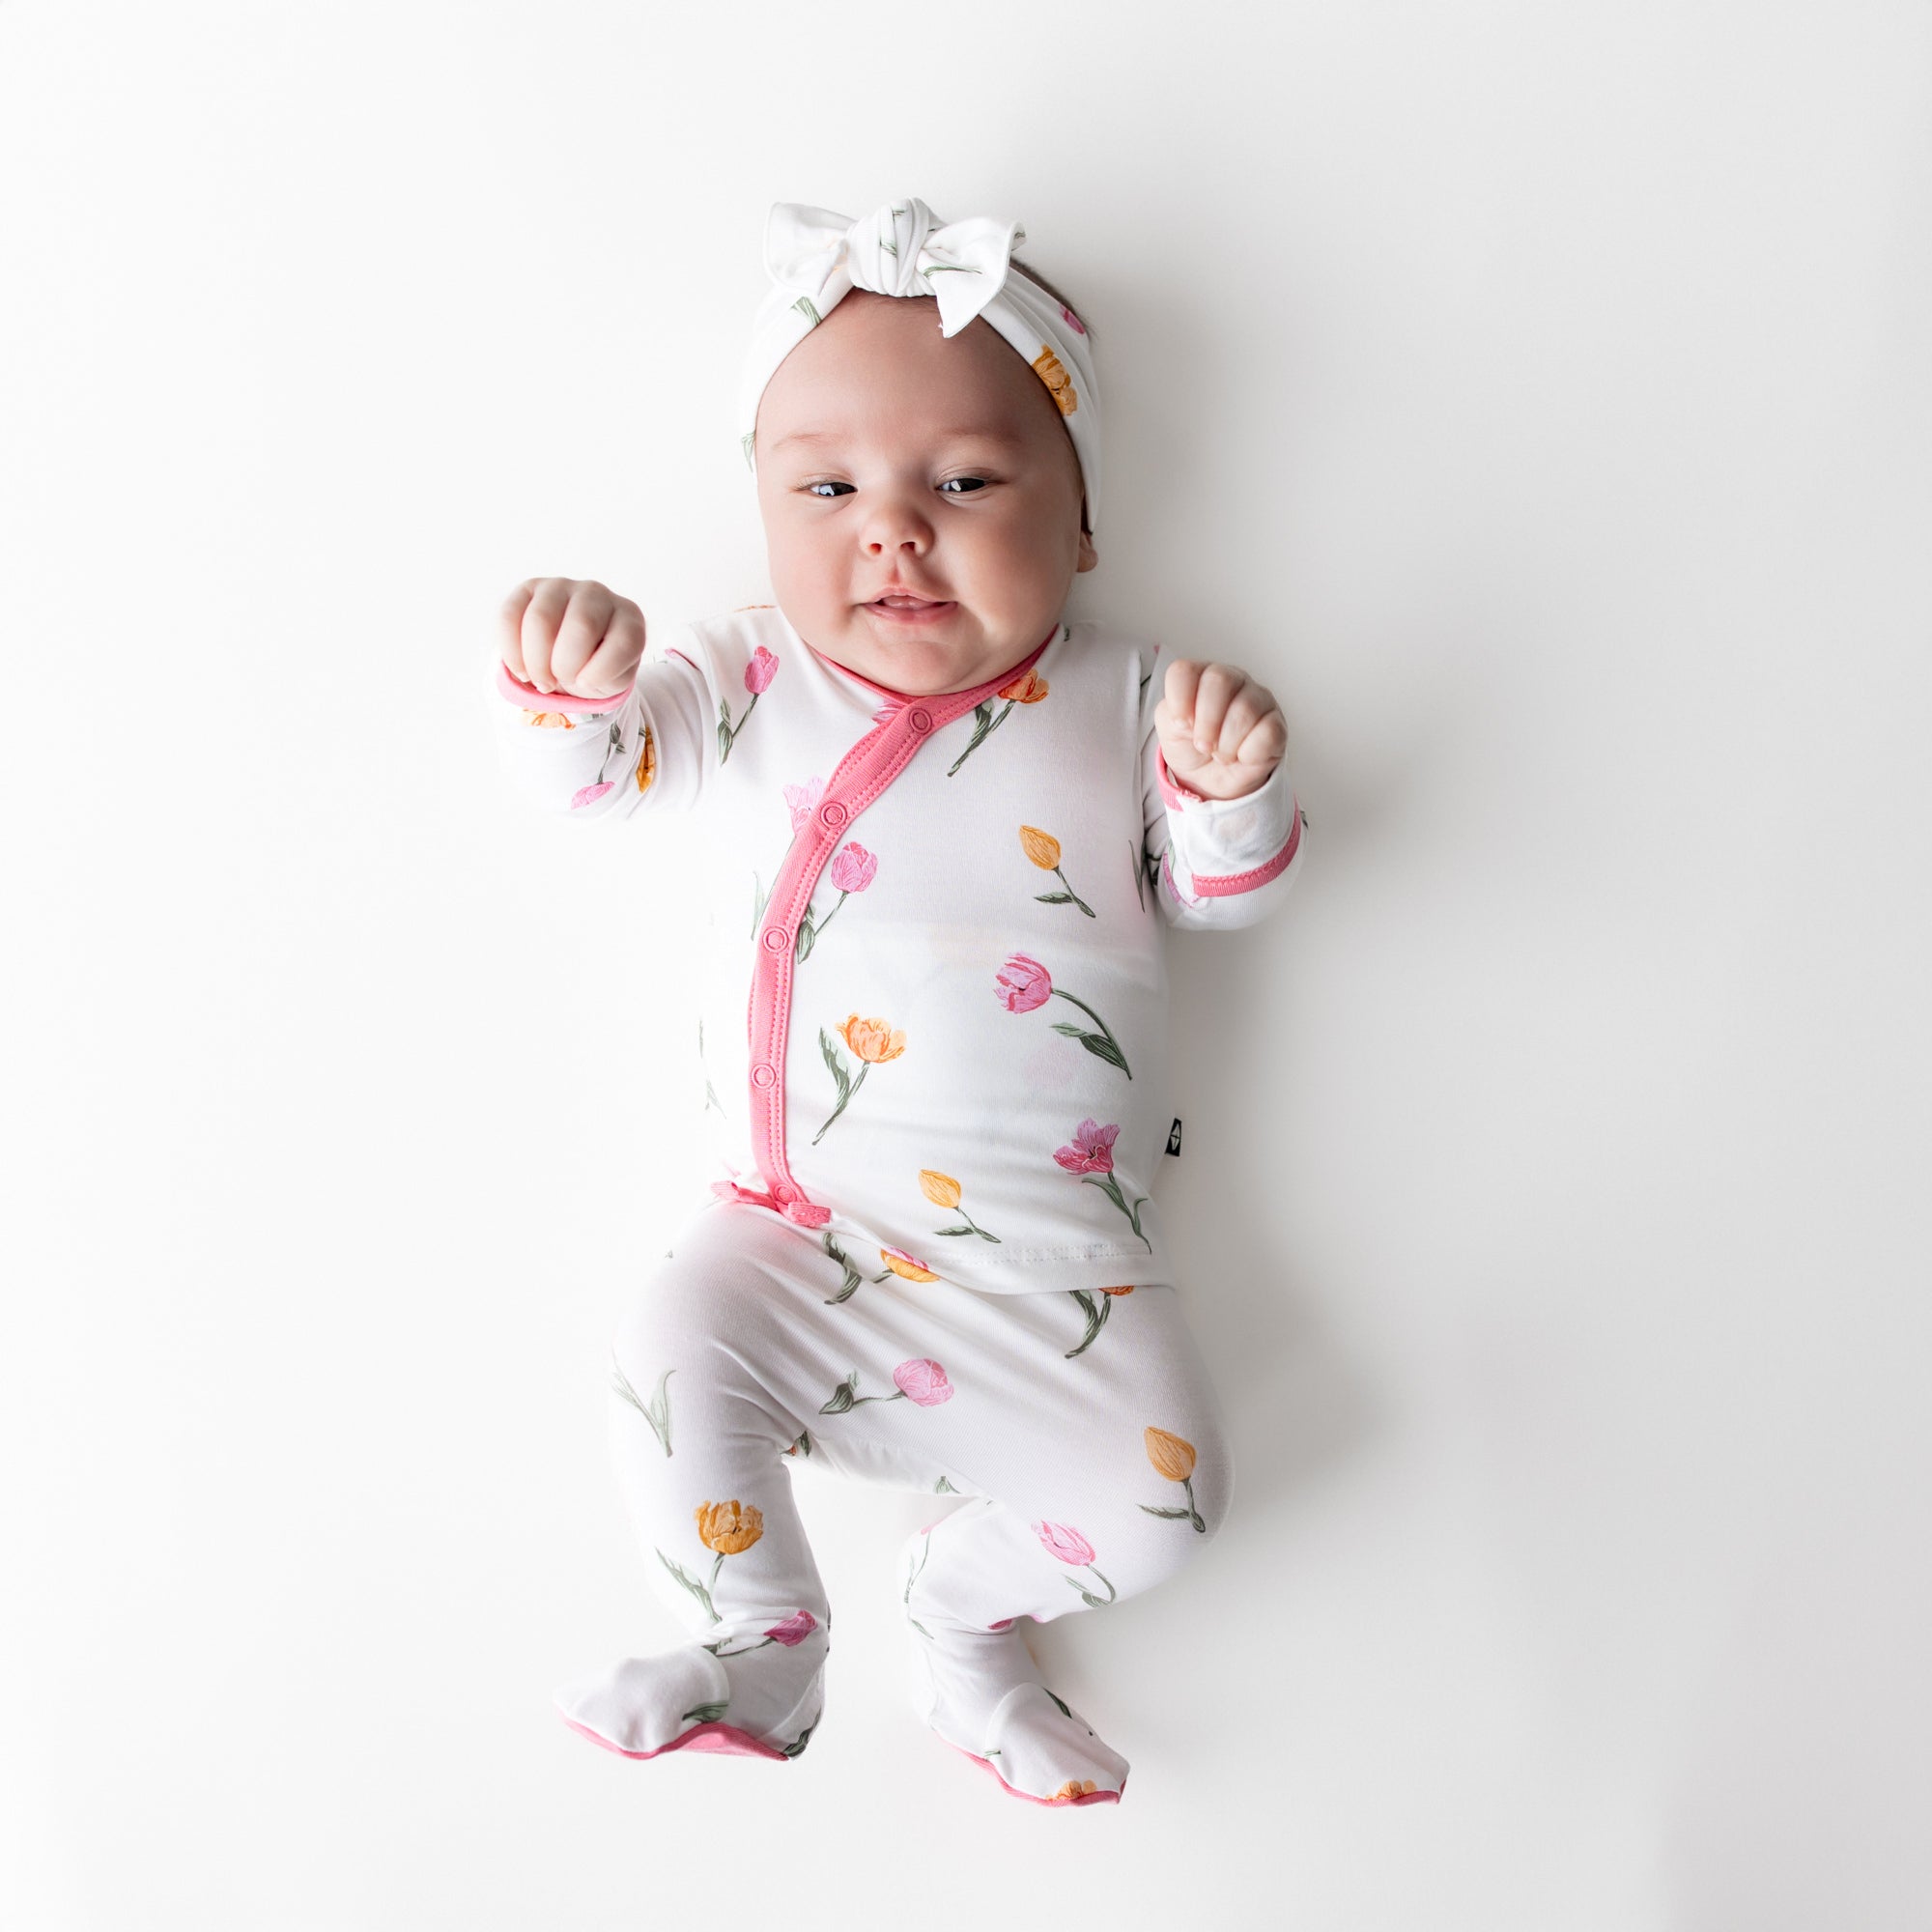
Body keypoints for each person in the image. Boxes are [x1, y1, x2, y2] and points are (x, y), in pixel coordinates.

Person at [487, 197, 1308, 1806]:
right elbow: (600, 782)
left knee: (1168, 1504)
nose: (894, 530)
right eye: (827, 488)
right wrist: (564, 693)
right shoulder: (745, 677)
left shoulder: (1126, 697)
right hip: (795, 1235)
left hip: (1056, 1271)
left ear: (1082, 520)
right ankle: (759, 1635)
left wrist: (1229, 796)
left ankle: (964, 1616)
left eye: (968, 482)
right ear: (763, 513)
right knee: (667, 1346)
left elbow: (1224, 899)